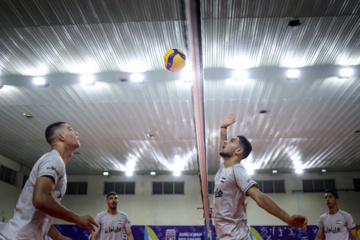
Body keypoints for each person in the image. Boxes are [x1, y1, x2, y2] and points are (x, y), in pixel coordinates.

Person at [213, 113, 307, 240]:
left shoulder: (237, 170)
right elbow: (222, 147)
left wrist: (287, 218)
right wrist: (223, 128)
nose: (225, 142)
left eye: (232, 141)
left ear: (238, 151)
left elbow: (259, 197)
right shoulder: (224, 167)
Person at [0, 122, 98, 240]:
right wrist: (76, 218)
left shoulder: (57, 162)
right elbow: (41, 200)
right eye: (70, 129)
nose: (76, 133)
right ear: (61, 137)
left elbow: (39, 212)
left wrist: (58, 236)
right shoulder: (53, 159)